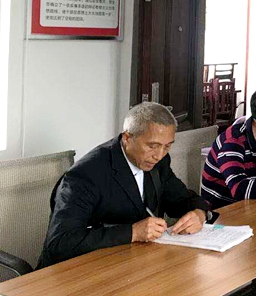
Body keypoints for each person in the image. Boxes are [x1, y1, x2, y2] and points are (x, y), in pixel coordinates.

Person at [39, 102, 213, 268]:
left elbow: (182, 199)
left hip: (130, 263)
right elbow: (60, 243)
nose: (159, 155)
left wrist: (199, 214)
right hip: (76, 272)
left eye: (167, 146)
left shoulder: (158, 162)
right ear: (127, 138)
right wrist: (133, 232)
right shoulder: (85, 175)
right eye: (152, 146)